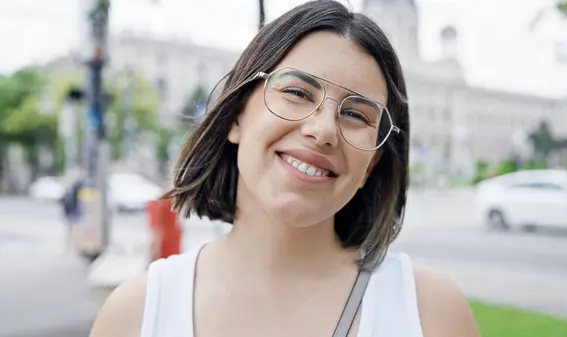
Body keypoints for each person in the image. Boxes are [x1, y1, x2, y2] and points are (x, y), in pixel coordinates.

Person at [90, 1, 480, 336]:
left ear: (372, 163)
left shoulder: (432, 315)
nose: (324, 130)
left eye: (357, 114)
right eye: (297, 93)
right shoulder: (133, 316)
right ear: (235, 116)